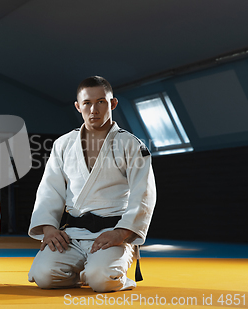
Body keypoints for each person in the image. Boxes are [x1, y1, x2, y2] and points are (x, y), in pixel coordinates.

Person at [28, 76, 156, 292]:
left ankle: (112, 272)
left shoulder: (131, 145)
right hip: (73, 235)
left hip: (113, 234)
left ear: (113, 103)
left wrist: (122, 234)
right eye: (87, 103)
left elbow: (144, 194)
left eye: (101, 102)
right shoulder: (63, 144)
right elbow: (50, 190)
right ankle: (84, 271)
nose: (93, 109)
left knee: (102, 280)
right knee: (44, 277)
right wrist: (49, 228)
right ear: (78, 107)